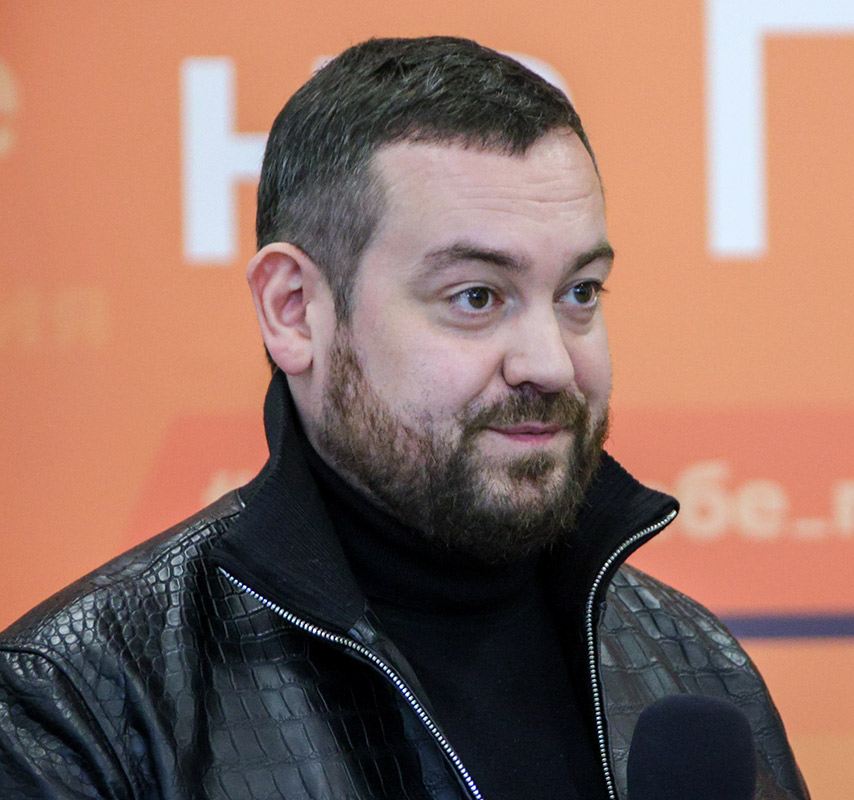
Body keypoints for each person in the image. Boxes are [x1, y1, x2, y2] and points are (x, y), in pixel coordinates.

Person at [0, 37, 807, 800]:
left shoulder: (695, 664)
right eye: (476, 296)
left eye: (579, 293)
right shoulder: (76, 702)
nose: (552, 363)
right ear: (294, 310)